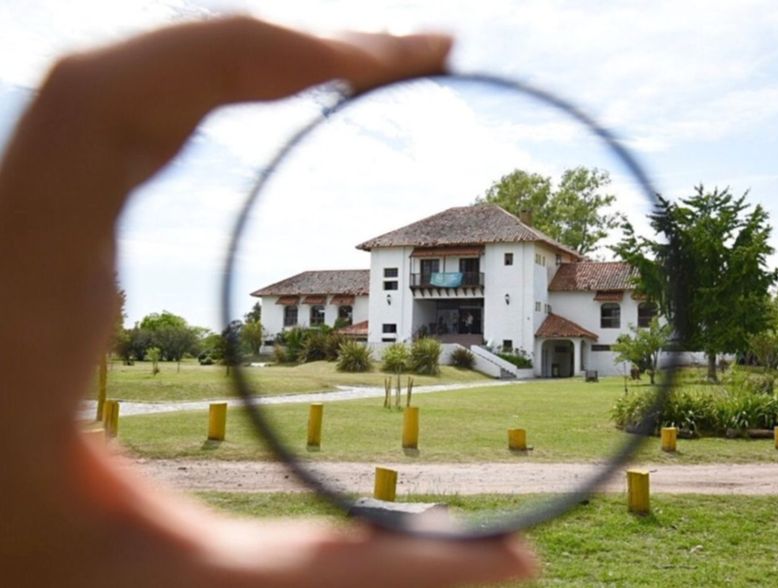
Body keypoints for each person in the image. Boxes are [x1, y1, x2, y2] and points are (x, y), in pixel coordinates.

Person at [0, 17, 535, 587]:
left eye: (461, 267)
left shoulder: (510, 261)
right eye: (419, 267)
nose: (443, 275)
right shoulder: (378, 276)